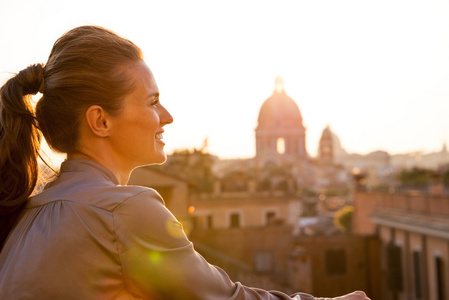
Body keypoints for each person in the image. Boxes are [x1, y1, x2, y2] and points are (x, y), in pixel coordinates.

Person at [0, 25, 370, 300]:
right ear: (101, 121)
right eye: (152, 101)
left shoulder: (26, 216)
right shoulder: (125, 210)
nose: (167, 115)